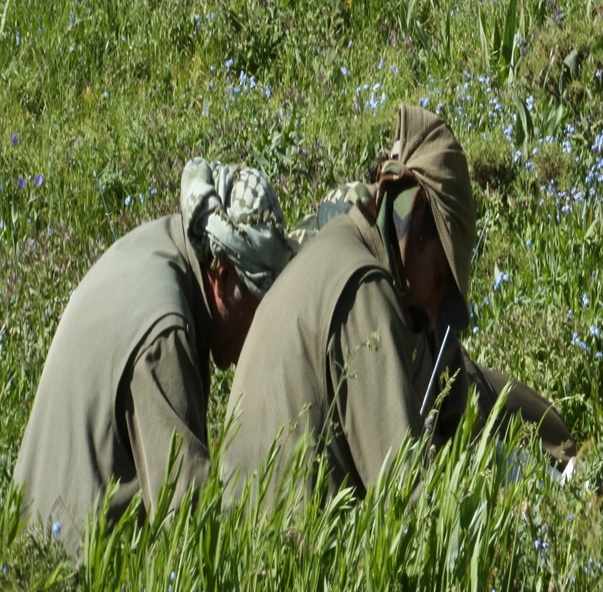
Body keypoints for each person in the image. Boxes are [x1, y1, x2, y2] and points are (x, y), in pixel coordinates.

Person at [221, 104, 573, 505]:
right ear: (416, 210)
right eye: (439, 279)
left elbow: (467, 386)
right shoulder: (364, 287)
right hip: (294, 541)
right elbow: (404, 499)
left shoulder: (336, 250)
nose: (434, 313)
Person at [15, 160, 293, 559]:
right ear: (224, 275)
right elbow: (190, 524)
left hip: (36, 550)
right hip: (72, 578)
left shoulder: (158, 246)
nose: (264, 325)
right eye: (261, 301)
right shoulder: (165, 335)